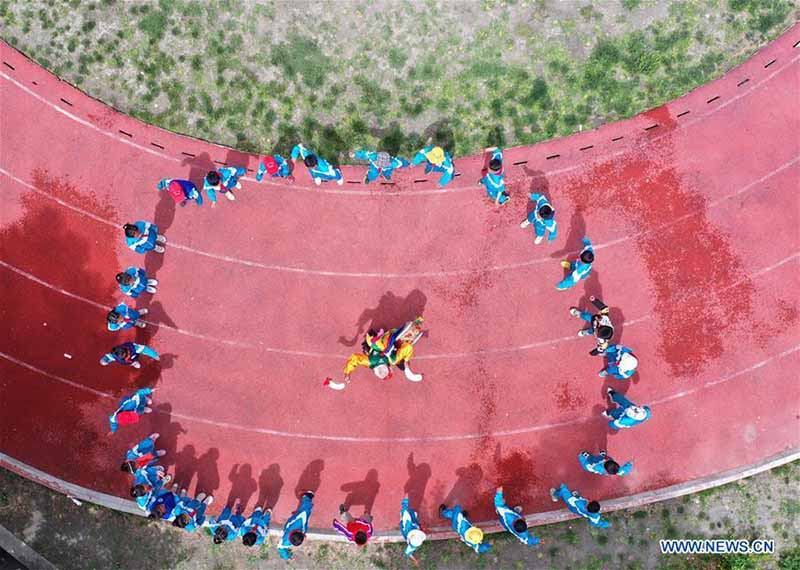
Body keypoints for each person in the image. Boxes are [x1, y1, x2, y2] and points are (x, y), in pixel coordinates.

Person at [325, 317, 425, 390]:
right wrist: (347, 373)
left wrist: (407, 361)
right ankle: (386, 340)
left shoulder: (391, 360)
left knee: (396, 356)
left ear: (389, 369)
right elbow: (354, 358)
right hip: (375, 339)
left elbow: (408, 348)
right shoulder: (371, 362)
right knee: (373, 347)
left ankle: (401, 336)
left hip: (382, 340)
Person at [278, 491, 314, 560]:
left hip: (294, 522)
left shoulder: (301, 523)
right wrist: (287, 557)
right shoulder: (285, 542)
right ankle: (306, 498)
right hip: (289, 525)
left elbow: (304, 513)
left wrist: (288, 557)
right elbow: (280, 548)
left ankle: (306, 497)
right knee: (304, 512)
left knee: (304, 511)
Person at [399, 496, 426, 564]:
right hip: (413, 524)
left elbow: (405, 510)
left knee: (404, 513)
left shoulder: (408, 523)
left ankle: (401, 514)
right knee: (413, 514)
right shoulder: (414, 544)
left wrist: (405, 500)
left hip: (406, 524)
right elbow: (408, 553)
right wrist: (415, 560)